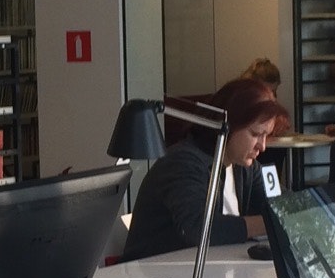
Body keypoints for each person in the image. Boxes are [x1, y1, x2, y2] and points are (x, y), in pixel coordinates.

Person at [122, 76, 290, 262]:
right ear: (229, 125)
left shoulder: (245, 167)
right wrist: (269, 223)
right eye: (256, 134)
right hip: (154, 272)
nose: (262, 146)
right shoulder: (182, 163)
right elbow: (198, 227)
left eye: (266, 136)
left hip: (205, 268)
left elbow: (280, 204)